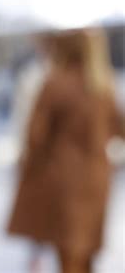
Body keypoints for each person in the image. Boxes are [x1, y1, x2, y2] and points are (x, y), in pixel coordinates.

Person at [8, 28, 124, 273]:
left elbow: (36, 136)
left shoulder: (55, 83)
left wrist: (27, 169)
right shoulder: (104, 86)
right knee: (87, 250)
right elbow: (119, 130)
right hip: (98, 177)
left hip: (63, 177)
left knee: (67, 250)